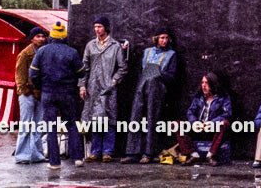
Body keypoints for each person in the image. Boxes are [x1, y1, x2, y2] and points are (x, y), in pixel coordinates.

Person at [28, 21, 85, 169]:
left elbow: (33, 73)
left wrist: (40, 86)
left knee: (51, 127)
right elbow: (82, 72)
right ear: (64, 35)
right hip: (67, 94)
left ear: (52, 35)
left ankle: (54, 162)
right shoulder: (72, 52)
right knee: (71, 124)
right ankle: (78, 158)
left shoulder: (42, 51)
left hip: (48, 93)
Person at [123, 28, 178, 163]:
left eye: (166, 38)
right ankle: (132, 153)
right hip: (142, 86)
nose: (164, 40)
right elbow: (140, 71)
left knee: (152, 119)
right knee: (136, 117)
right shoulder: (147, 52)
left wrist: (157, 73)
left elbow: (172, 76)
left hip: (158, 88)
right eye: (161, 38)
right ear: (156, 38)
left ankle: (148, 153)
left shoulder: (171, 54)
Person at [79, 15, 128, 162]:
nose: (97, 30)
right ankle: (95, 151)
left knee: (108, 119)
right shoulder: (90, 46)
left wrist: (113, 82)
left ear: (106, 28)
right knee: (94, 120)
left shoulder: (115, 46)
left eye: (99, 27)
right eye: (95, 27)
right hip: (93, 88)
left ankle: (108, 151)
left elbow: (123, 67)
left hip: (108, 89)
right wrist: (82, 85)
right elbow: (84, 67)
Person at [175, 72, 233, 164]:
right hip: (198, 128)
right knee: (177, 125)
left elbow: (227, 114)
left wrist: (212, 122)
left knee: (225, 124)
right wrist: (194, 122)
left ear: (213, 84)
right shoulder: (199, 97)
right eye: (202, 83)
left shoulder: (223, 97)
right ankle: (193, 154)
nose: (203, 86)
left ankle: (211, 155)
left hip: (212, 129)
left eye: (206, 83)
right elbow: (190, 111)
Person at [14, 26, 48, 164]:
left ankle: (37, 155)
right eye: (38, 36)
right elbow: (19, 75)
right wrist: (24, 91)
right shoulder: (24, 54)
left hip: (39, 94)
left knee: (38, 125)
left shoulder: (44, 53)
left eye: (43, 36)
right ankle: (22, 155)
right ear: (32, 38)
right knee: (26, 124)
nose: (41, 39)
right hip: (28, 94)